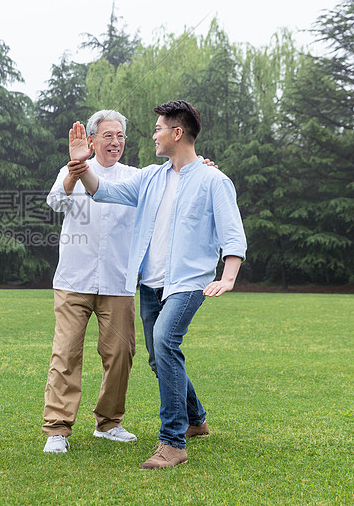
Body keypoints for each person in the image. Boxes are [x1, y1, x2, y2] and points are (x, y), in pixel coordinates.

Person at [67, 100, 247, 469]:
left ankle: (172, 441)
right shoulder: (150, 177)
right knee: (158, 357)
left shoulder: (214, 180)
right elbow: (102, 191)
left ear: (176, 133)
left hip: (188, 283)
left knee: (165, 343)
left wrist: (226, 278)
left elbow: (233, 235)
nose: (153, 136)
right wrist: (82, 165)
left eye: (158, 129)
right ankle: (196, 419)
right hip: (150, 284)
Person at [42, 109, 139, 453]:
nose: (115, 142)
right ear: (92, 139)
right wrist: (75, 169)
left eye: (121, 136)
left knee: (121, 353)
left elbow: (172, 186)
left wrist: (200, 167)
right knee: (66, 354)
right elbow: (56, 201)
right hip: (74, 279)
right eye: (108, 136)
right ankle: (57, 429)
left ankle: (109, 423)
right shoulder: (71, 170)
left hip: (118, 281)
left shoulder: (136, 177)